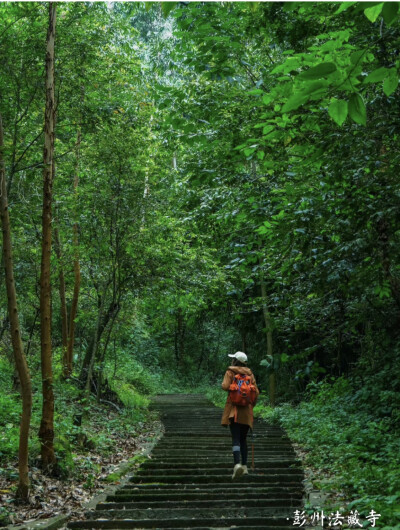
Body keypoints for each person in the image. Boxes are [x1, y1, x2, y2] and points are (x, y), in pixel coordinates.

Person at [221, 351, 259, 479]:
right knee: (243, 439)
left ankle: (237, 464)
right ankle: (245, 467)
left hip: (234, 411)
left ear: (235, 361)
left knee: (236, 439)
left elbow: (225, 386)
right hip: (246, 413)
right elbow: (256, 393)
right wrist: (250, 406)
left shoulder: (230, 372)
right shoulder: (250, 374)